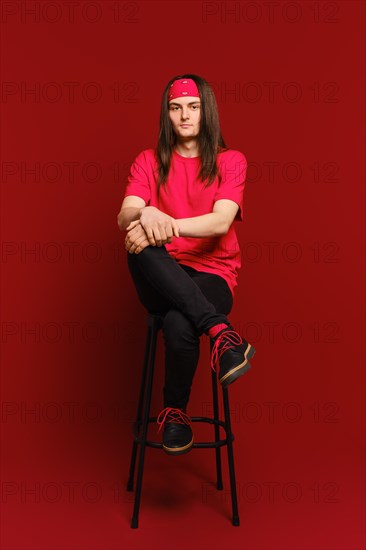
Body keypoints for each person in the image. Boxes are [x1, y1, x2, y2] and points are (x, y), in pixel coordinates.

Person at [117, 74, 256, 456]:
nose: (184, 116)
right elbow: (125, 215)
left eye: (193, 107)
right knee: (137, 242)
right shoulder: (148, 161)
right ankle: (222, 333)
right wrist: (144, 212)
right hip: (160, 277)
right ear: (167, 115)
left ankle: (174, 412)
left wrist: (164, 224)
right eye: (176, 108)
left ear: (206, 111)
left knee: (180, 321)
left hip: (213, 275)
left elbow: (220, 222)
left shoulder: (231, 161)